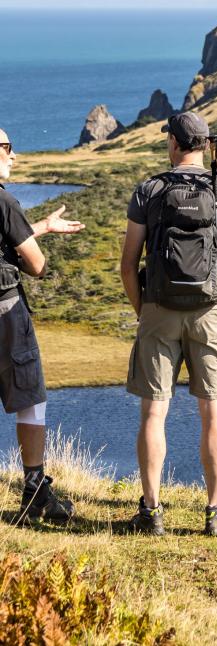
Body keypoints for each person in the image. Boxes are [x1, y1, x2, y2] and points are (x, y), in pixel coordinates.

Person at [120, 111, 217, 536]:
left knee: (153, 414)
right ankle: (216, 513)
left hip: (158, 309)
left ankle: (151, 512)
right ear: (204, 146)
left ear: (174, 144)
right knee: (214, 415)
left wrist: (145, 311)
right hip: (212, 310)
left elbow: (127, 266)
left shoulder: (150, 190)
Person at [0, 128, 85, 524]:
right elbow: (36, 265)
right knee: (30, 396)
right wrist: (31, 249)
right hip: (6, 312)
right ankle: (34, 492)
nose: (13, 156)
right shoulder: (4, 200)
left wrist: (43, 227)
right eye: (6, 148)